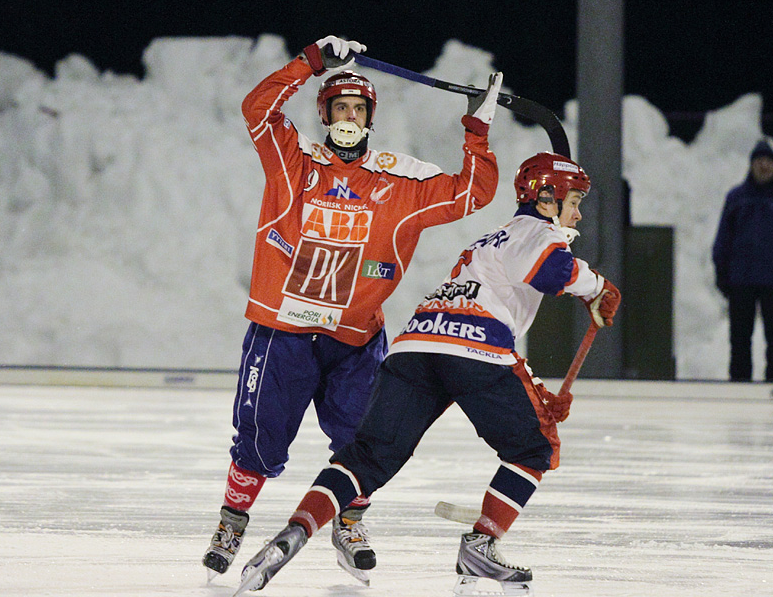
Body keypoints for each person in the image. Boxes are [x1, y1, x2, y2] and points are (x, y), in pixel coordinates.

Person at [233, 152, 622, 596]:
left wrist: (530, 383)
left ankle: (296, 531)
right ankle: (482, 545)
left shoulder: (490, 239)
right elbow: (552, 272)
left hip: (415, 344)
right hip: (474, 346)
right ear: (546, 198)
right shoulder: (538, 232)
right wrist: (598, 286)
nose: (577, 213)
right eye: (574, 201)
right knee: (535, 447)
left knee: (368, 457)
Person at [202, 35, 503, 583]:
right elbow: (257, 109)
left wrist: (477, 132)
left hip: (355, 339)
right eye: (339, 107)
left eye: (357, 109)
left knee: (360, 437)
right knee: (260, 436)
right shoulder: (293, 164)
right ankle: (233, 517)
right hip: (282, 333)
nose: (348, 116)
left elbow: (470, 195)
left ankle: (349, 522)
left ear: (370, 119)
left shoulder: (399, 180)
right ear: (323, 114)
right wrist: (310, 62)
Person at [712, 137, 773, 382]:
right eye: (759, 161)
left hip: (771, 282)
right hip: (741, 281)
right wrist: (722, 275)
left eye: (768, 161)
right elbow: (723, 240)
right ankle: (739, 387)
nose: (764, 166)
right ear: (751, 165)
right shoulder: (737, 198)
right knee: (739, 339)